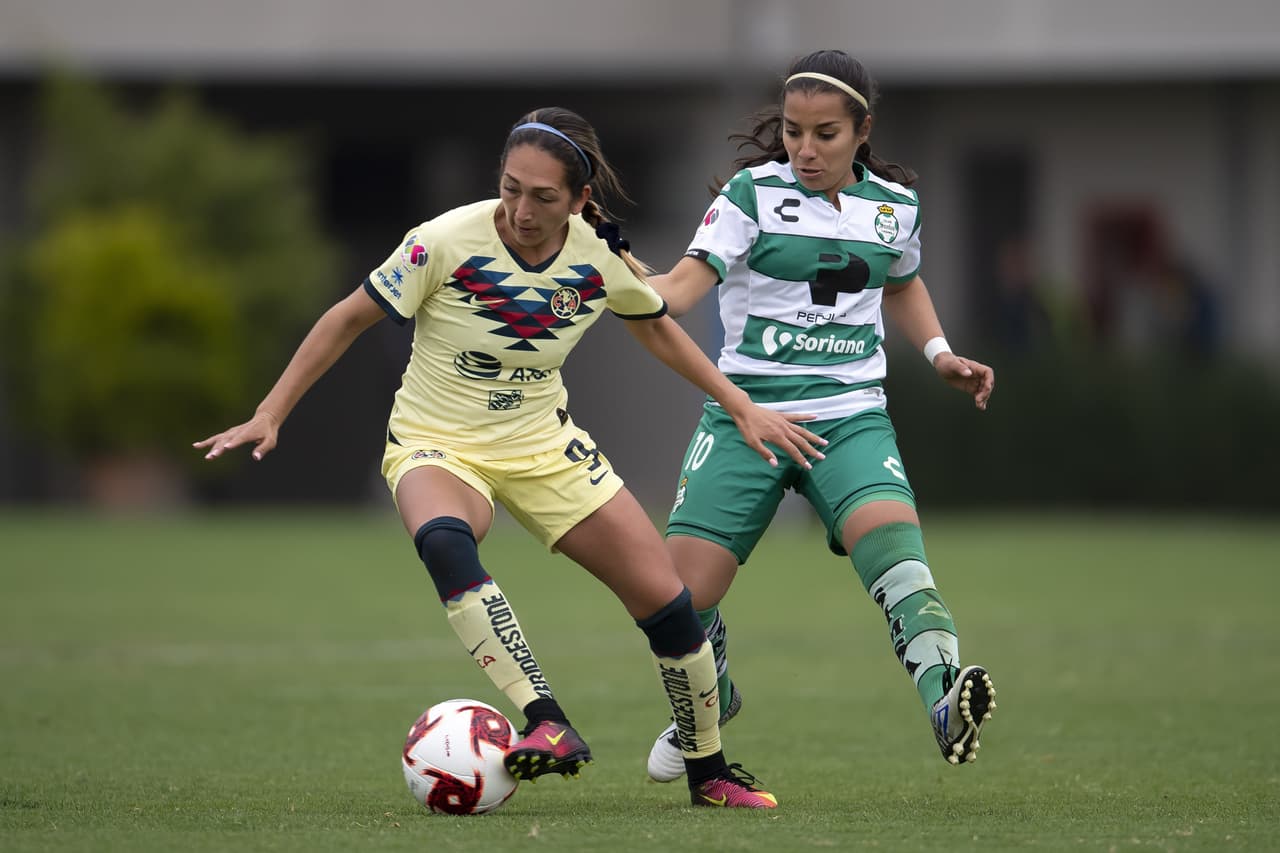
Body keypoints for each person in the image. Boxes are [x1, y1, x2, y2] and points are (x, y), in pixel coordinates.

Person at [194, 107, 825, 809]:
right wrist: (270, 411)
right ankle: (546, 720)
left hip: (543, 446)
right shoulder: (444, 241)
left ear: (580, 200)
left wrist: (739, 403)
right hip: (437, 440)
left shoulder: (596, 255)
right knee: (444, 541)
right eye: (511, 188)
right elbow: (347, 316)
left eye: (544, 196)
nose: (522, 209)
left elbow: (657, 330)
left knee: (670, 606)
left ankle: (709, 772)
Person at [641, 51, 998, 783]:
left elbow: (901, 283)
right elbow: (680, 290)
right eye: (794, 131)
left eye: (825, 134)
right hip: (747, 419)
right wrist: (618, 278)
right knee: (676, 600)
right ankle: (717, 692)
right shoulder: (750, 195)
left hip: (850, 417)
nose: (805, 149)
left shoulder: (894, 206)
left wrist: (939, 353)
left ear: (862, 130)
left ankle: (944, 698)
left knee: (898, 556)